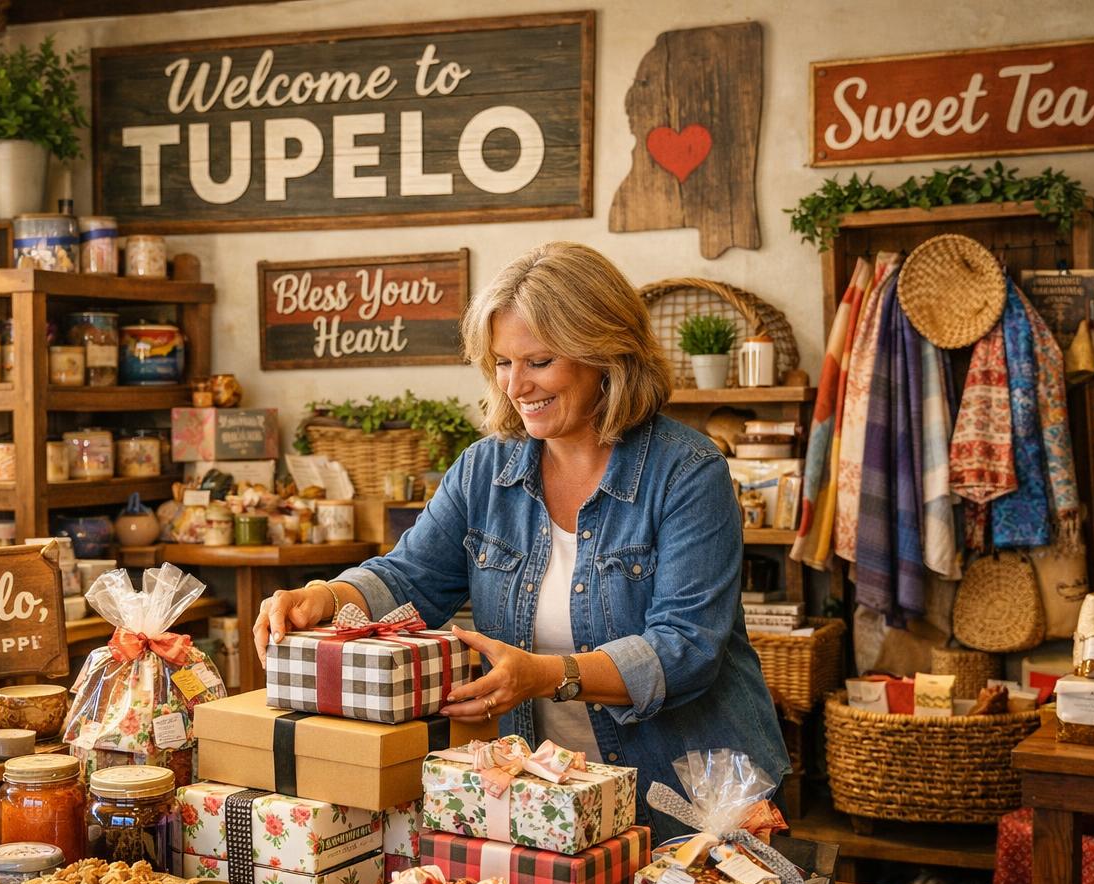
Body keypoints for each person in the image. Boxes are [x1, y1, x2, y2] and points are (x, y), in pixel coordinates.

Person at [255, 241, 790, 840]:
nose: (515, 386)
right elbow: (411, 580)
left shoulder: (687, 472)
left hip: (689, 796)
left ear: (605, 355)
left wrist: (546, 674)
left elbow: (686, 648)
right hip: (548, 795)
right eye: (503, 364)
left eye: (537, 362)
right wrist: (325, 596)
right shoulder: (484, 471)